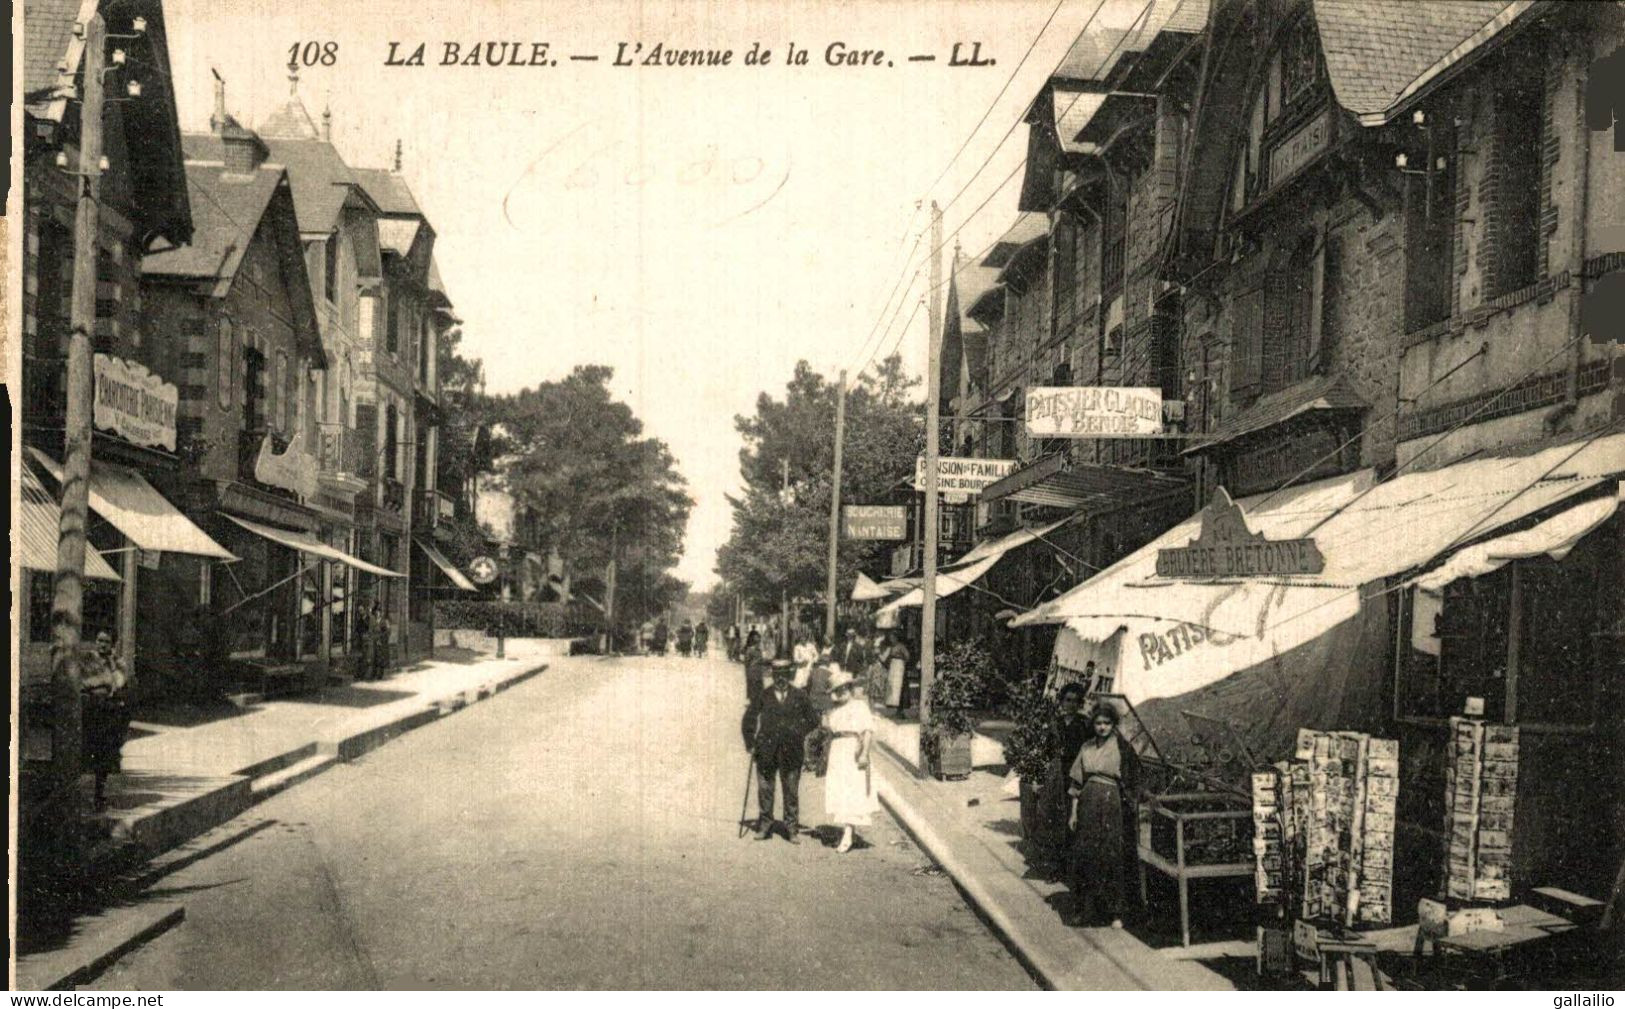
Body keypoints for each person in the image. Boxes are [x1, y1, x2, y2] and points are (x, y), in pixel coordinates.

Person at [1066, 702, 1143, 928]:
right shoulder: (1087, 748)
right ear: (1093, 724)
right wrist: (1073, 814)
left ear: (1113, 724)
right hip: (1088, 802)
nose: (1102, 727)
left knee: (1111, 855)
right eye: (1098, 723)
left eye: (1106, 723)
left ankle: (1115, 913)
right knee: (1086, 854)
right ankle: (1084, 911)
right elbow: (1076, 783)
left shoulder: (1121, 747)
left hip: (1111, 803)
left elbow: (1132, 777)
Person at [741, 659, 818, 842]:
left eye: (784, 674)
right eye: (777, 674)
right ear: (772, 675)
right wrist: (750, 743)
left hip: (791, 750)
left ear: (790, 675)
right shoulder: (763, 695)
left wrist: (798, 731)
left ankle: (791, 828)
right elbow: (749, 719)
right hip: (766, 749)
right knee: (765, 789)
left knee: (791, 790)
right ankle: (765, 825)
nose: (781, 678)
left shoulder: (800, 696)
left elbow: (813, 720)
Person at [1037, 683, 1091, 880]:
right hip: (1057, 775)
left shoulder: (1085, 724)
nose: (1071, 704)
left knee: (1073, 820)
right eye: (1068, 700)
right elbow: (1046, 751)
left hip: (1076, 775)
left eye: (1076, 701)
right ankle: (1054, 868)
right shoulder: (1055, 724)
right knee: (1054, 820)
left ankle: (1072, 870)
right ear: (1061, 701)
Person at [822, 668, 879, 853]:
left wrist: (864, 753)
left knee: (852, 791)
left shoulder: (860, 706)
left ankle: (847, 834)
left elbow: (868, 731)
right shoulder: (833, 711)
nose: (842, 691)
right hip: (837, 752)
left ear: (850, 688)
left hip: (852, 750)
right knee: (840, 790)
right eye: (837, 689)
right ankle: (848, 830)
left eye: (845, 687)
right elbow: (830, 733)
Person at [81, 631, 132, 810]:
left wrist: (109, 673)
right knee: (87, 752)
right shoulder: (88, 659)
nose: (102, 645)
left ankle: (98, 794)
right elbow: (83, 681)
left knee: (105, 755)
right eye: (99, 640)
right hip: (91, 712)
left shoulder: (118, 663)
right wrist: (102, 682)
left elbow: (119, 682)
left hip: (108, 715)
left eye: (106, 642)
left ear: (113, 644)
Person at [882, 631, 911, 716]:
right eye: (891, 638)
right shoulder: (891, 647)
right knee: (893, 687)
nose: (892, 639)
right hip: (893, 667)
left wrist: (902, 663)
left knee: (899, 687)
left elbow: (907, 656)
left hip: (899, 667)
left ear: (896, 638)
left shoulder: (901, 646)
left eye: (893, 638)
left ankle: (901, 710)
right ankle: (896, 708)